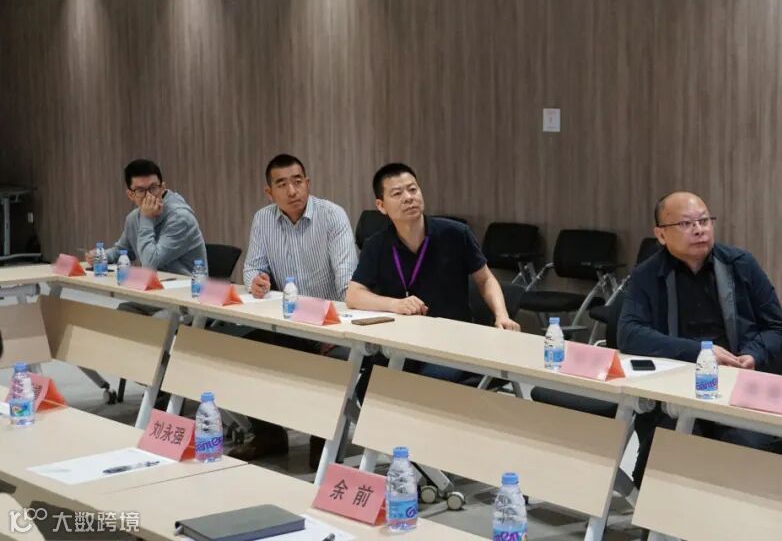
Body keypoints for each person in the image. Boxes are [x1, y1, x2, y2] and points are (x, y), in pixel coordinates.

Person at [619, 191, 782, 486]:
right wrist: (699, 352)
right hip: (673, 393)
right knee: (670, 454)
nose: (699, 230)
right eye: (686, 224)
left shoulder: (740, 265)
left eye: (704, 221)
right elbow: (629, 334)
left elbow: (776, 326)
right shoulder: (647, 274)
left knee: (741, 454)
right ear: (661, 235)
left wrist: (754, 354)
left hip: (738, 392)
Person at [228, 153, 358, 462]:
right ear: (269, 192)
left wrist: (338, 329)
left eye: (298, 182)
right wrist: (257, 280)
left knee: (327, 363)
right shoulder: (263, 219)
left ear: (308, 183)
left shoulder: (332, 216)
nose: (292, 191)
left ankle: (323, 436)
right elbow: (252, 267)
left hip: (332, 326)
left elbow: (347, 282)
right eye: (282, 184)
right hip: (288, 324)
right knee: (245, 349)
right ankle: (269, 434)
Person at [346, 162, 519, 382]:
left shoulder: (456, 234)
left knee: (424, 383)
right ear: (381, 206)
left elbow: (485, 280)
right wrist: (395, 304)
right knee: (369, 384)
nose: (408, 198)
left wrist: (501, 315)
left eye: (413, 189)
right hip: (401, 340)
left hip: (452, 342)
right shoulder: (376, 245)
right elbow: (354, 295)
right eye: (397, 193)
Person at [85, 159, 206, 275]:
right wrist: (103, 256)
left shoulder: (180, 218)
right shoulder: (133, 218)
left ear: (162, 188)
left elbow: (150, 264)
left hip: (187, 287)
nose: (149, 196)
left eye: (153, 188)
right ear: (130, 195)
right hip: (155, 285)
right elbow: (124, 250)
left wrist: (146, 219)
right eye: (141, 190)